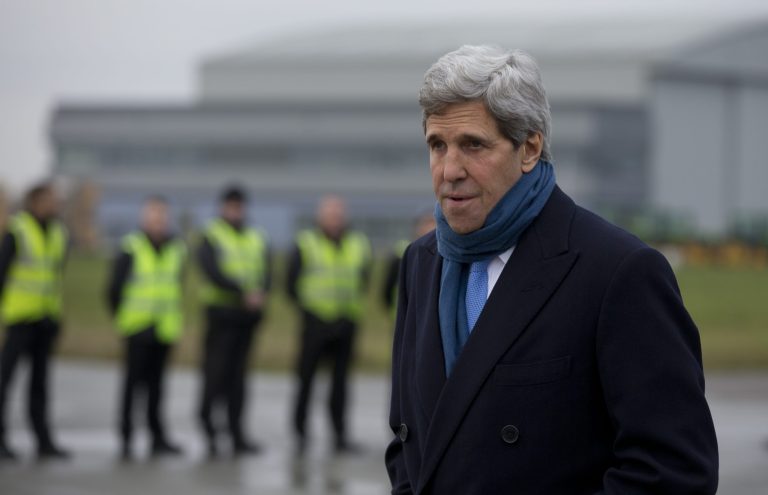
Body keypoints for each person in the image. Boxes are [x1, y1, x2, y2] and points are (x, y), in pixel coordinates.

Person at [386, 45, 719, 494]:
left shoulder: (618, 272)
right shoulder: (421, 264)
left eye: (473, 145)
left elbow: (673, 472)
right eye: (437, 145)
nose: (449, 170)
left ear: (529, 148)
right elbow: (410, 443)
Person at [287, 195, 371, 455]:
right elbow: (290, 284)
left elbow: (364, 279)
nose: (335, 219)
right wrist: (309, 312)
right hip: (314, 322)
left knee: (341, 384)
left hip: (346, 323)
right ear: (320, 217)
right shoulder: (305, 243)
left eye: (338, 214)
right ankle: (300, 434)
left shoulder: (358, 244)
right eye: (330, 214)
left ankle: (340, 435)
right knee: (306, 380)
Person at [106, 196, 185, 460]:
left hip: (164, 327)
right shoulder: (131, 247)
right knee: (132, 385)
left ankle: (157, 437)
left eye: (162, 216)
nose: (158, 221)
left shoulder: (176, 248)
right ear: (144, 218)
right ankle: (126, 437)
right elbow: (113, 289)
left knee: (158, 387)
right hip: (137, 326)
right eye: (153, 216)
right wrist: (123, 318)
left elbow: (178, 287)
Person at [0, 182, 71, 461]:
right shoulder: (17, 231)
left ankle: (43, 439)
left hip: (46, 318)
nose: (55, 204)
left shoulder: (59, 233)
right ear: (35, 202)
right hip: (19, 318)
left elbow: (54, 278)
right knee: (5, 381)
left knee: (40, 384)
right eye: (50, 199)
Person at [197, 186, 270, 457]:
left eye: (239, 206)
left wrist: (261, 293)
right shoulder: (211, 234)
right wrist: (243, 292)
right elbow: (212, 271)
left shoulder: (256, 236)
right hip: (220, 316)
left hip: (246, 319)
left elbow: (266, 272)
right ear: (222, 207)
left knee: (239, 379)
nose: (235, 211)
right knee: (215, 376)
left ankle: (237, 434)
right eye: (231, 206)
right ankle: (209, 431)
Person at [382, 212, 436, 318]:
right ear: (416, 229)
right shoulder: (401, 254)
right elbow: (386, 290)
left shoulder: (444, 257)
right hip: (403, 319)